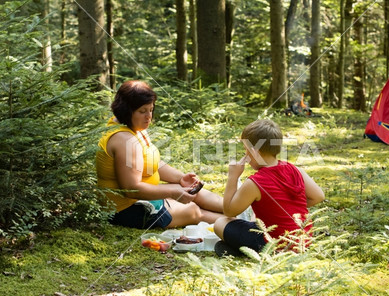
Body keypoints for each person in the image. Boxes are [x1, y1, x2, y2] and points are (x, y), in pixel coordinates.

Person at [96, 80, 224, 230]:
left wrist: (180, 179)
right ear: (126, 111)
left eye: (151, 109)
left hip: (142, 198)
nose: (148, 116)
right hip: (126, 209)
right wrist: (173, 191)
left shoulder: (136, 128)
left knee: (195, 192)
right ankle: (242, 226)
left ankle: (241, 210)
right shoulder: (124, 140)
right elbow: (131, 188)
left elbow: (153, 163)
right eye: (142, 111)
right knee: (193, 210)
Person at [213, 119, 325, 256]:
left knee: (220, 223)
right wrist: (287, 211)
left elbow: (229, 212)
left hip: (273, 244)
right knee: (255, 218)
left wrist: (233, 177)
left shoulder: (255, 183)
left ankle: (254, 252)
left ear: (254, 152)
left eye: (245, 150)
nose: (245, 155)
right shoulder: (295, 170)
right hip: (302, 241)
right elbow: (319, 196)